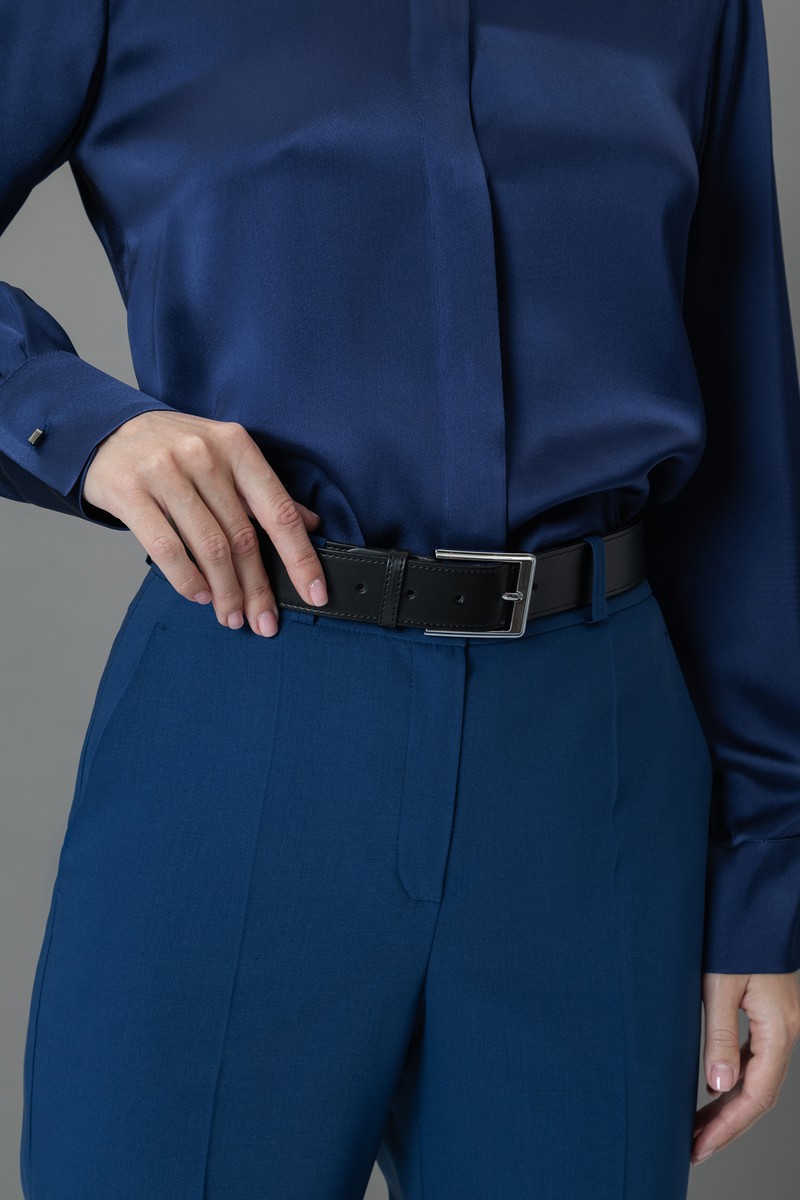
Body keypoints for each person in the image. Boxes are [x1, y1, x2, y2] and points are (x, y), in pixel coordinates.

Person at [2, 0, 799, 1196]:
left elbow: (743, 430)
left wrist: (761, 878)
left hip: (595, 776)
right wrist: (75, 424)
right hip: (244, 724)